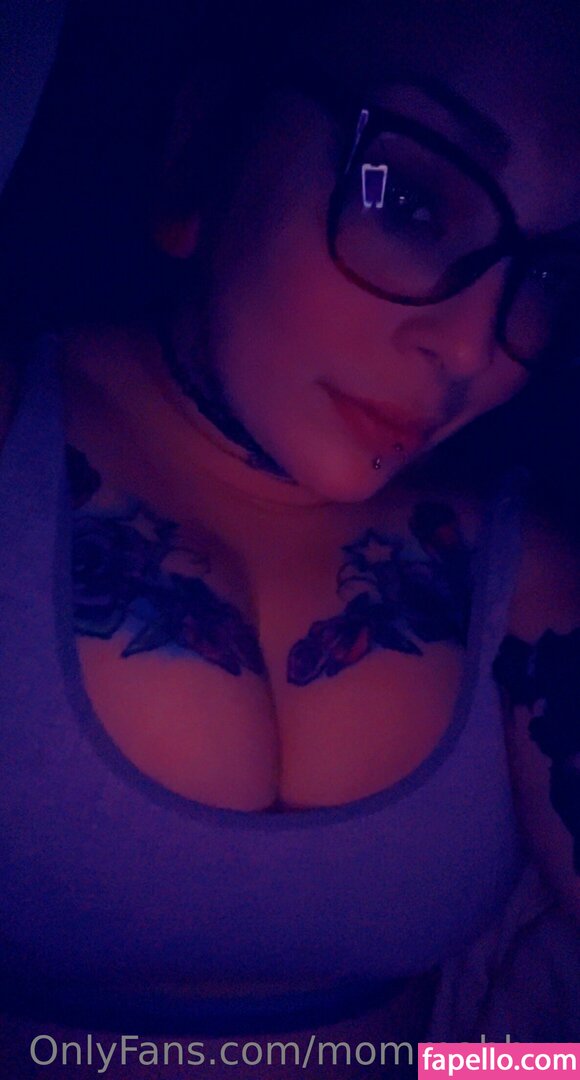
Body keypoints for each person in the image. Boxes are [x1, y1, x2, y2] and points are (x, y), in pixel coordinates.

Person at [0, 0, 579, 1074]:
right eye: (409, 198)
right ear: (206, 139)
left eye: (546, 276)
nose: (471, 349)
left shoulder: (522, 567)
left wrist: (478, 1069)